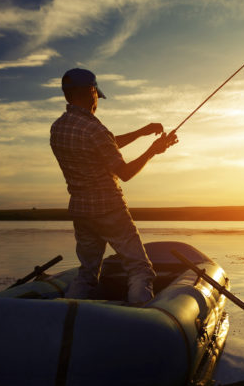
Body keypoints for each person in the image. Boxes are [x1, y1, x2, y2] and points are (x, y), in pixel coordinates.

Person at [50, 68, 178, 304]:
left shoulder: (58, 128)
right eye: (96, 94)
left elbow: (106, 145)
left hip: (81, 211)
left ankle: (65, 317)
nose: (97, 100)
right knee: (141, 269)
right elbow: (125, 173)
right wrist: (153, 151)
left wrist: (142, 132)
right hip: (110, 209)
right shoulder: (94, 129)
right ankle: (139, 322)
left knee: (87, 274)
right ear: (91, 92)